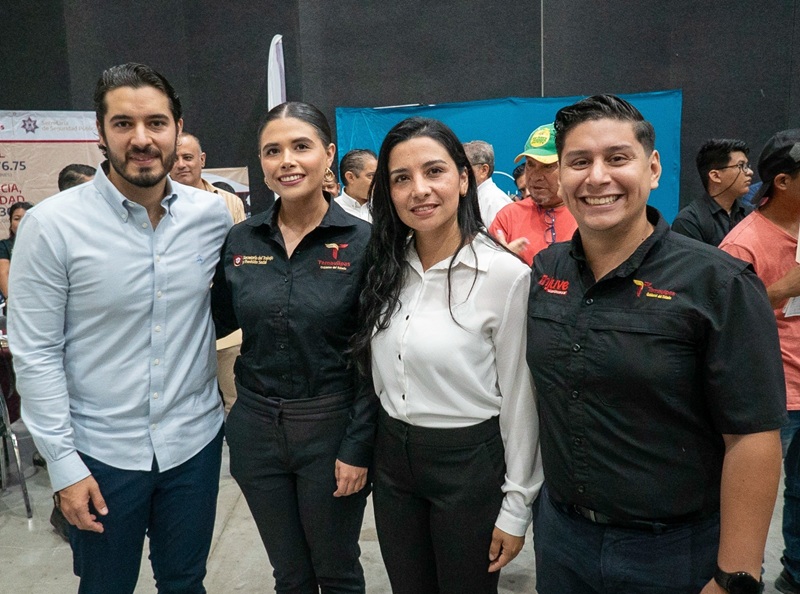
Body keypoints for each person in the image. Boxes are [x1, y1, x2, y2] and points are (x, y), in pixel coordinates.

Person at [527, 94, 786, 594]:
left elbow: (753, 436)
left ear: (653, 169)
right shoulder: (547, 270)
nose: (597, 177)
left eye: (616, 158)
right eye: (578, 162)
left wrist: (736, 574)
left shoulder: (719, 283)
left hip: (674, 552)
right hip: (562, 540)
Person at [7, 62, 232, 594]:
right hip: (100, 453)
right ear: (101, 132)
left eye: (156, 122)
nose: (142, 139)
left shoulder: (211, 217)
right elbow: (36, 353)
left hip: (193, 444)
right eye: (124, 124)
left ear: (178, 128)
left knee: (186, 582)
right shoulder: (52, 225)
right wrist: (63, 465)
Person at [353, 117, 543, 594]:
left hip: (469, 463)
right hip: (393, 459)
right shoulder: (385, 268)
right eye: (401, 178)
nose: (419, 190)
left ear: (463, 179)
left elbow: (521, 399)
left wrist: (516, 506)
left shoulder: (505, 276)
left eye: (434, 171)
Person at [211, 101, 377, 594]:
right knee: (290, 575)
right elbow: (215, 321)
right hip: (255, 429)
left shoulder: (364, 242)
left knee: (337, 571)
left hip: (331, 427)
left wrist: (358, 445)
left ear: (329, 154)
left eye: (301, 146)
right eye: (272, 151)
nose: (287, 161)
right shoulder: (241, 239)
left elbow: (376, 356)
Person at [719, 129, 800, 594]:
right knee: (751, 501)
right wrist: (782, 290)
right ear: (783, 182)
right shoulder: (742, 245)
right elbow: (724, 323)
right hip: (773, 393)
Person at [170, 131, 246, 414]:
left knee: (234, 401)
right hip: (179, 326)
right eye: (175, 158)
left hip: (227, 327)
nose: (181, 164)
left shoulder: (229, 202)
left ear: (201, 160)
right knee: (187, 405)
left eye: (188, 157)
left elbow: (239, 260)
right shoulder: (152, 206)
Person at [488, 123, 577, 265]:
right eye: (530, 164)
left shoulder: (587, 213)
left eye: (547, 166)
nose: (535, 176)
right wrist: (501, 265)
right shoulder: (507, 217)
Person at [672, 139, 753, 246]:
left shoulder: (750, 215)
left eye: (747, 166)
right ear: (715, 176)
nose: (750, 172)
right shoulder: (689, 221)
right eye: (741, 166)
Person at [463, 140, 512, 226]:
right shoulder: (472, 197)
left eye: (466, 167)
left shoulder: (496, 201)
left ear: (484, 170)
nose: (461, 173)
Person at [0, 201, 33, 300]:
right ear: (10, 223)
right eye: (17, 219)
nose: (21, 223)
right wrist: (10, 299)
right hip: (16, 297)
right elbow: (3, 273)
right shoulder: (4, 245)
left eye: (26, 219)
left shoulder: (44, 244)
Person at [335, 148, 377, 222]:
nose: (377, 181)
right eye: (371, 176)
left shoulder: (385, 207)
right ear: (350, 177)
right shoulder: (332, 211)